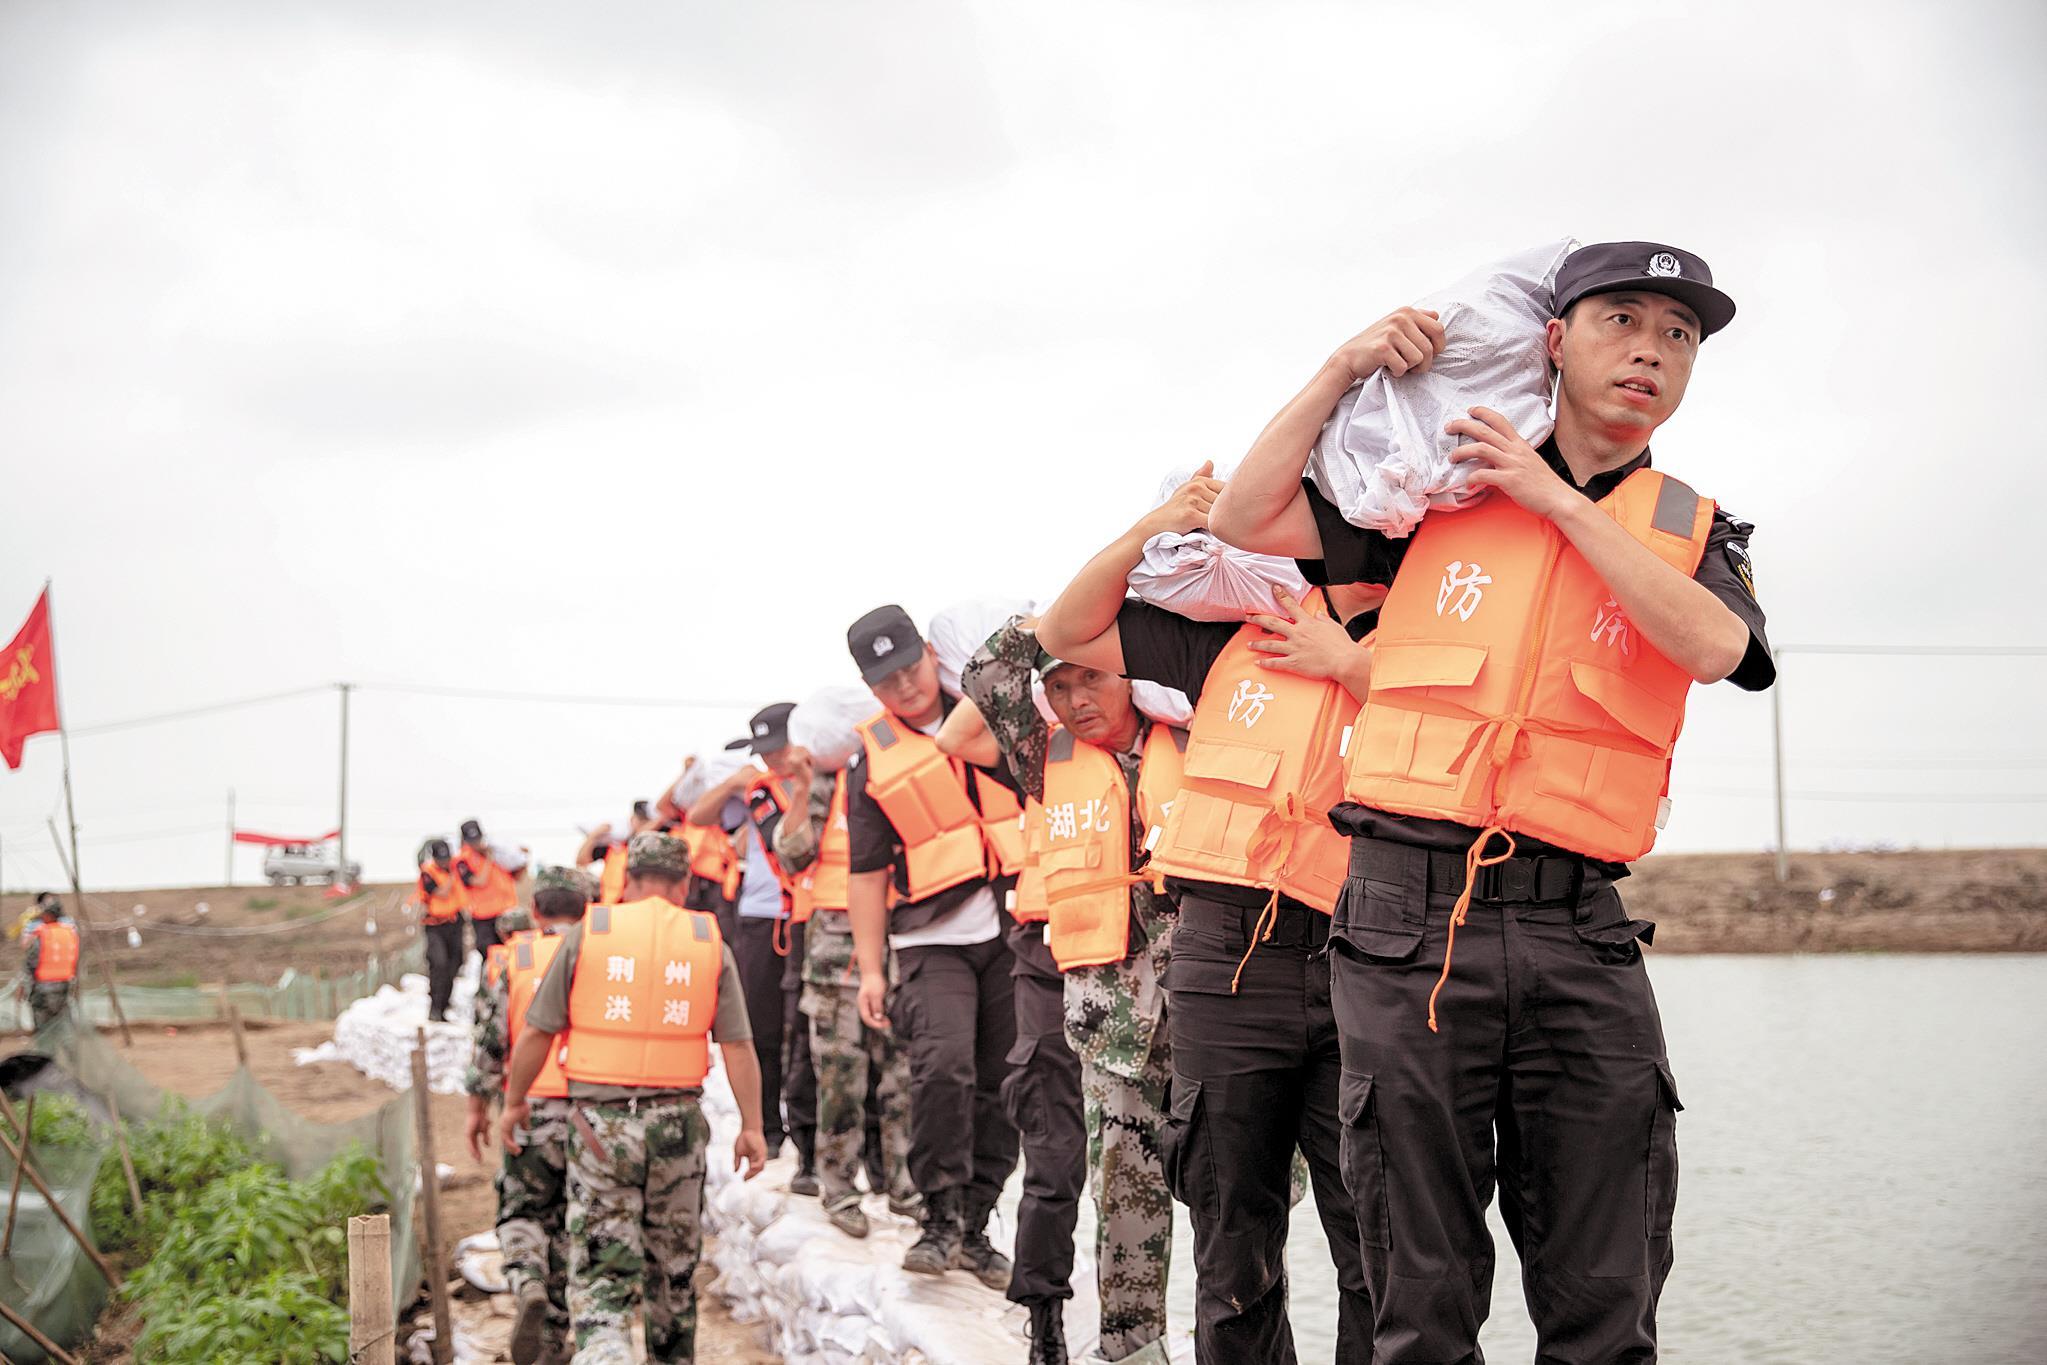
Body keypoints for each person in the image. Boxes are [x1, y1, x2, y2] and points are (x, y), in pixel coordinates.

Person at [1208, 241, 1773, 1363]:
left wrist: (1554, 500)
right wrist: (1341, 365)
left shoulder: (1696, 527)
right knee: (1417, 1297)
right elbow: (1242, 516)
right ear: (1554, 342)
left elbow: (1718, 648)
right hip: (1404, 919)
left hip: (1581, 929)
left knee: (1606, 1294)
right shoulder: (1431, 492)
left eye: (1678, 336)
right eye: (1621, 321)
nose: (1650, 352)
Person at [1038, 471, 1381, 1364]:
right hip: (1227, 955)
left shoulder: (1416, 629)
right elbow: (1064, 630)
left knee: (1374, 1228)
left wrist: (1347, 662)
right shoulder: (1227, 640)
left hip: (1365, 956)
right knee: (1232, 1233)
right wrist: (1151, 524)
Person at [951, 618, 1184, 1365]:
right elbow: (985, 675)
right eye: (1059, 685)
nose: (1077, 698)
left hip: (1212, 1007)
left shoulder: (1197, 729)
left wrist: (1130, 619)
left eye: (1092, 676)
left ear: (1130, 672)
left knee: (1240, 1198)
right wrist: (1056, 619)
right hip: (1111, 1024)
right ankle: (1129, 1352)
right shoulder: (1042, 759)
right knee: (1124, 1200)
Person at [501, 832, 768, 1365]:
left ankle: (606, 1353)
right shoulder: (706, 940)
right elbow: (738, 1045)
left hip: (601, 1127)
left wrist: (514, 1102)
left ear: (626, 880)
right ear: (685, 883)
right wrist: (752, 1125)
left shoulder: (591, 932)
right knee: (672, 1271)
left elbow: (537, 1031)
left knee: (603, 1274)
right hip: (678, 1126)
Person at [843, 603, 1021, 1284]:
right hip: (930, 938)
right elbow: (865, 874)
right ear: (870, 688)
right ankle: (938, 1217)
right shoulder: (869, 760)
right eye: (886, 681)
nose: (905, 686)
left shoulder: (990, 709)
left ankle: (976, 1223)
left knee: (1005, 1078)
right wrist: (870, 971)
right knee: (943, 1068)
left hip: (1013, 924)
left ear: (929, 651)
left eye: (910, 667)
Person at [774, 738, 920, 1239]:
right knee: (840, 1080)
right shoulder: (826, 784)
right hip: (835, 955)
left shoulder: (906, 773)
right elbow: (792, 856)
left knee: (902, 1077)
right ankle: (838, 1188)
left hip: (901, 942)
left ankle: (903, 1186)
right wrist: (800, 788)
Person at [685, 704, 819, 1192]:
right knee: (759, 1027)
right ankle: (769, 1128)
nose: (772, 759)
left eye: (778, 748)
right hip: (760, 919)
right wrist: (733, 783)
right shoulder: (757, 790)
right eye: (765, 752)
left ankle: (810, 1133)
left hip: (807, 914)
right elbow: (698, 816)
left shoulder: (821, 778)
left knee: (802, 1030)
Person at [463, 873, 588, 1365]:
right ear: (587, 909)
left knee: (523, 1212)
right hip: (591, 1112)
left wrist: (477, 1109)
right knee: (570, 1223)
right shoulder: (600, 957)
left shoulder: (515, 958)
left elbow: (491, 1041)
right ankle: (555, 1338)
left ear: (535, 911)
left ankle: (527, 1280)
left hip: (530, 1107)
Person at [417, 838, 469, 1023]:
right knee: (439, 963)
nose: (445, 862)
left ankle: (445, 1005)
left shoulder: (457, 868)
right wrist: (452, 875)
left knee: (455, 964)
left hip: (455, 923)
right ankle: (435, 1007)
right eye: (441, 859)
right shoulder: (428, 873)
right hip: (435, 925)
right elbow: (441, 892)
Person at [457, 819, 521, 957]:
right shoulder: (463, 860)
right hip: (484, 917)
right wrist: (488, 859)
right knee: (490, 954)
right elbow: (479, 881)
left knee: (512, 952)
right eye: (472, 841)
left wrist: (521, 859)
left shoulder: (498, 852)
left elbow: (516, 875)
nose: (476, 844)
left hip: (506, 911)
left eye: (477, 839)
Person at [575, 802, 655, 907]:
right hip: (609, 905)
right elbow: (581, 862)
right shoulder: (614, 846)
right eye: (639, 819)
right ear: (632, 819)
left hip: (636, 907)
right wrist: (593, 836)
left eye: (646, 821)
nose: (641, 824)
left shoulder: (655, 847)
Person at [21, 893, 78, 1031]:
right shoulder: (68, 931)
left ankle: (48, 1044)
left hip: (43, 985)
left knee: (44, 1024)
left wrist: (26, 984)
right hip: (64, 983)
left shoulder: (42, 933)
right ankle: (67, 1043)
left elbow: (31, 960)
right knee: (62, 1020)